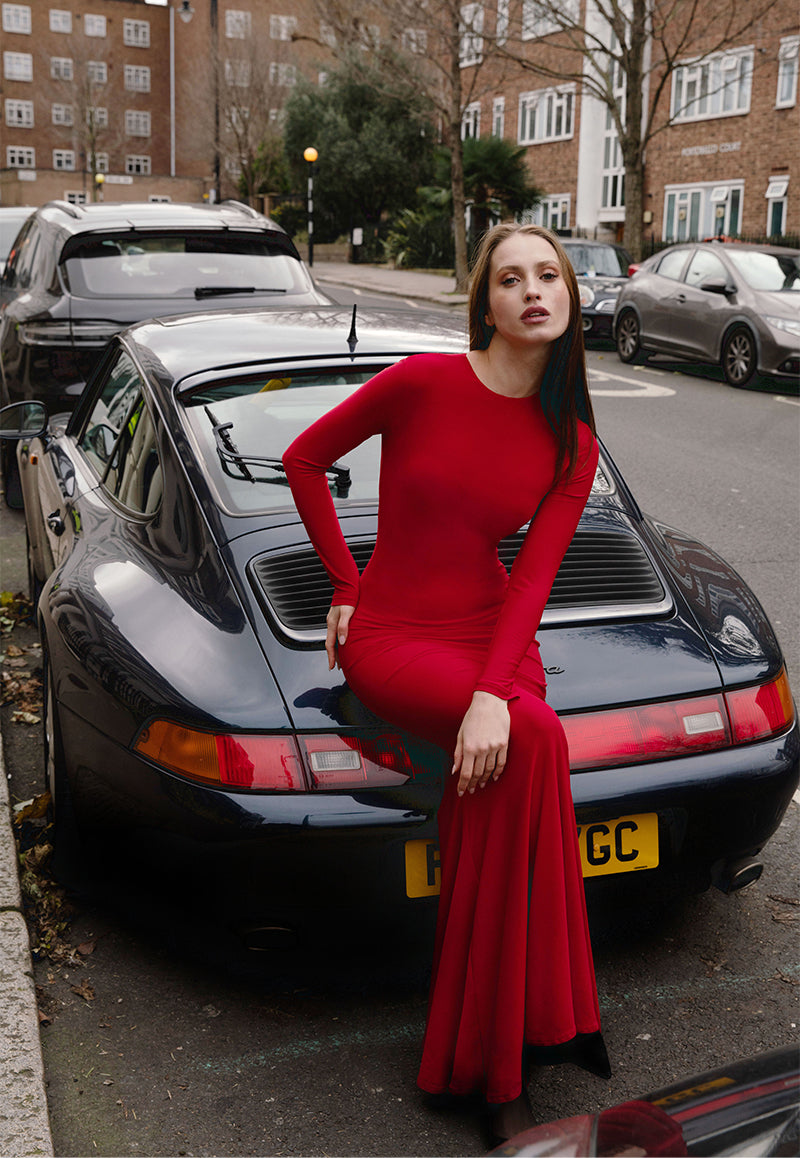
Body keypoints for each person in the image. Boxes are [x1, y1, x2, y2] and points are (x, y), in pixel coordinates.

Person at [282, 223, 610, 1142]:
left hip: (491, 632)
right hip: (393, 634)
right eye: (512, 279)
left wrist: (490, 693)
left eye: (550, 276)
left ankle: (522, 1031)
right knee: (535, 743)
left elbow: (533, 584)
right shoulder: (424, 383)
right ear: (488, 301)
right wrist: (346, 583)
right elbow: (303, 460)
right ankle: (508, 1055)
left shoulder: (570, 442)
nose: (533, 292)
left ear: (571, 299)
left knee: (519, 755)